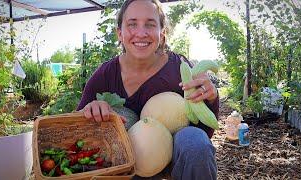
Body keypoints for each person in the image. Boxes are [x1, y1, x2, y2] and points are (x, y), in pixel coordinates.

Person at [77, 0, 219, 179]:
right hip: (125, 162)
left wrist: (210, 98)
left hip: (173, 153)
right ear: (119, 33)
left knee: (195, 143)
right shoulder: (104, 75)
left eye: (150, 25)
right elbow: (78, 126)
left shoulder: (180, 68)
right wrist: (90, 109)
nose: (141, 33)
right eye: (132, 24)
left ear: (162, 33)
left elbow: (204, 131)